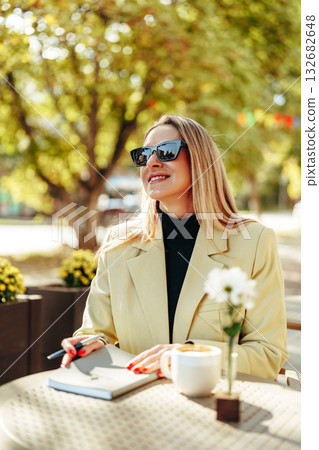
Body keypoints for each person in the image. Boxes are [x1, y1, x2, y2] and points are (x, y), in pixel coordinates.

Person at [61, 115, 288, 380]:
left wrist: (189, 355)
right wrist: (91, 343)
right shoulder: (117, 243)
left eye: (167, 152)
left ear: (201, 162)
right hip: (132, 404)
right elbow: (95, 331)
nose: (153, 162)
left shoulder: (255, 242)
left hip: (214, 407)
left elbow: (268, 353)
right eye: (144, 155)